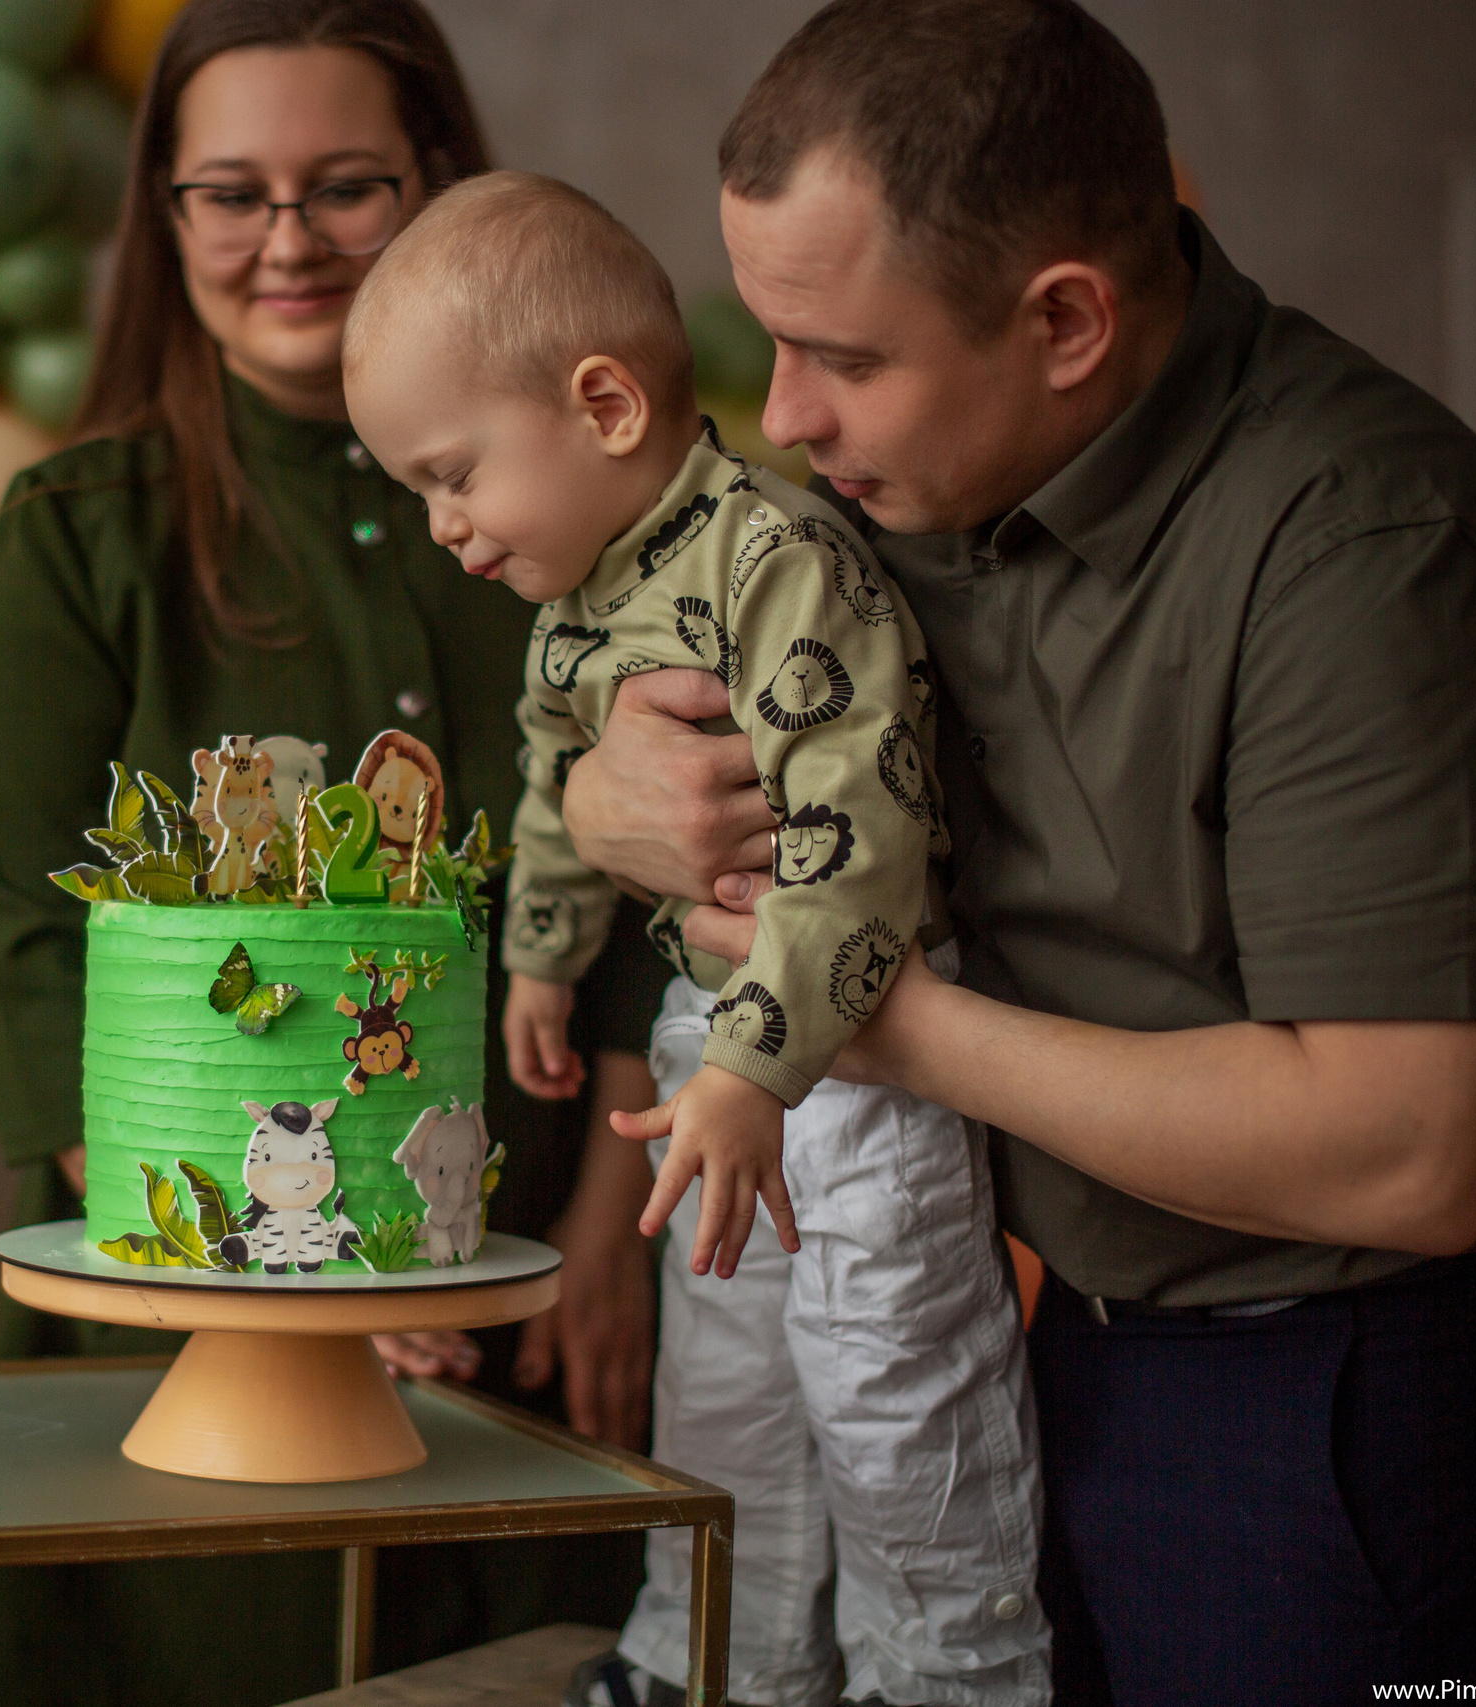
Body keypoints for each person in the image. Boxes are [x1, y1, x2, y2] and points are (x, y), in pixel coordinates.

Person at [561, 0, 1476, 1699]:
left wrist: (864, 1004)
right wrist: (610, 791)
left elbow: (1408, 1154)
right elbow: (650, 705)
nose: (790, 416)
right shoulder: (880, 489)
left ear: (1063, 322)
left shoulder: (1368, 545)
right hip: (1049, 1327)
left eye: (847, 354)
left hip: (1335, 1381)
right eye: (771, 341)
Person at [0, 6, 661, 1704]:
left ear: (437, 182)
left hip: (547, 1311)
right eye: (230, 192)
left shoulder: (587, 542)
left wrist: (617, 1241)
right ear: (165, 210)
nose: (286, 241)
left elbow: (659, 910)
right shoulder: (78, 535)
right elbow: (24, 948)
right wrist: (280, 1311)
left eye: (347, 187)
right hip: (170, 1333)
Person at [344, 170, 1047, 1707]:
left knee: (890, 1391)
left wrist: (755, 1072)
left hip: (856, 1061)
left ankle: (949, 1682)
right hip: (705, 1050)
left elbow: (861, 840)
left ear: (601, 405)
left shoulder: (778, 563)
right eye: (416, 493)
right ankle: (708, 1664)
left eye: (455, 475)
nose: (444, 527)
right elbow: (552, 788)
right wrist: (542, 950)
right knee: (722, 1390)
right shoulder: (574, 609)